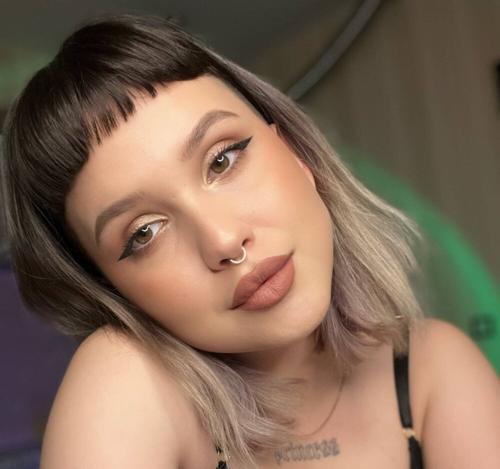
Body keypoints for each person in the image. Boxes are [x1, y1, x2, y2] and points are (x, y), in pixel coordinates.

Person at [0, 14, 498, 469]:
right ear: (109, 288)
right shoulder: (126, 384)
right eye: (144, 233)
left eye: (222, 160)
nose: (223, 240)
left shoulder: (432, 369)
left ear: (296, 152)